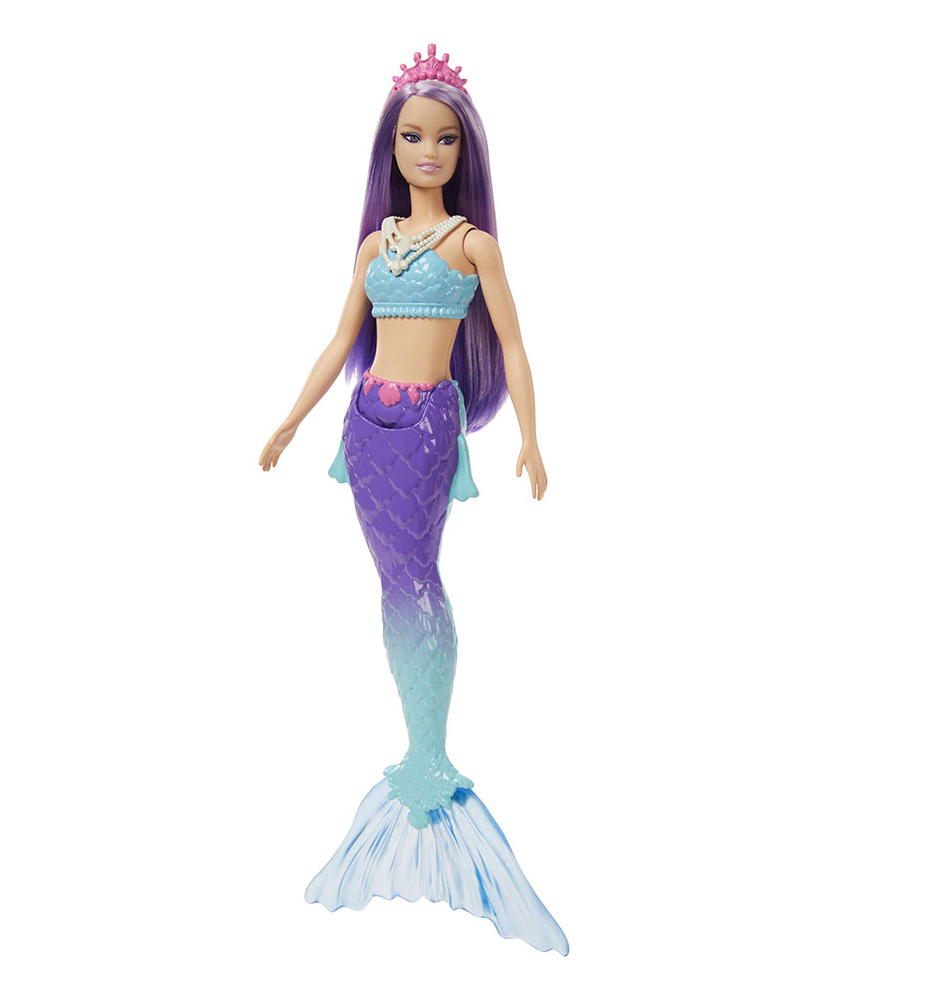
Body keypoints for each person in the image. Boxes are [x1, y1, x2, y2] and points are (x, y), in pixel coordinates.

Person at [257, 44, 566, 955]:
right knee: (393, 580)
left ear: (464, 151)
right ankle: (417, 744)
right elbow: (338, 341)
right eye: (411, 138)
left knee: (417, 578)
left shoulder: (472, 246)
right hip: (367, 423)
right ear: (390, 149)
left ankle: (429, 753)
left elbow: (515, 345)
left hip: (429, 425)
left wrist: (531, 435)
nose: (427, 152)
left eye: (443, 139)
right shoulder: (376, 245)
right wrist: (290, 421)